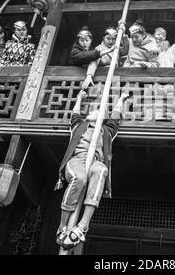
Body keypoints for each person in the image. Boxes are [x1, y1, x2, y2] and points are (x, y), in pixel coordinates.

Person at [54, 90, 130, 249]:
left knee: (102, 170)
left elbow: (116, 115)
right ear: (89, 116)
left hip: (95, 161)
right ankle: (62, 226)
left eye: (102, 112)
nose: (99, 111)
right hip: (77, 160)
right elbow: (75, 113)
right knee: (80, 178)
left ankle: (82, 226)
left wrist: (121, 98)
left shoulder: (107, 131)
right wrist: (79, 97)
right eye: (96, 110)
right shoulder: (79, 125)